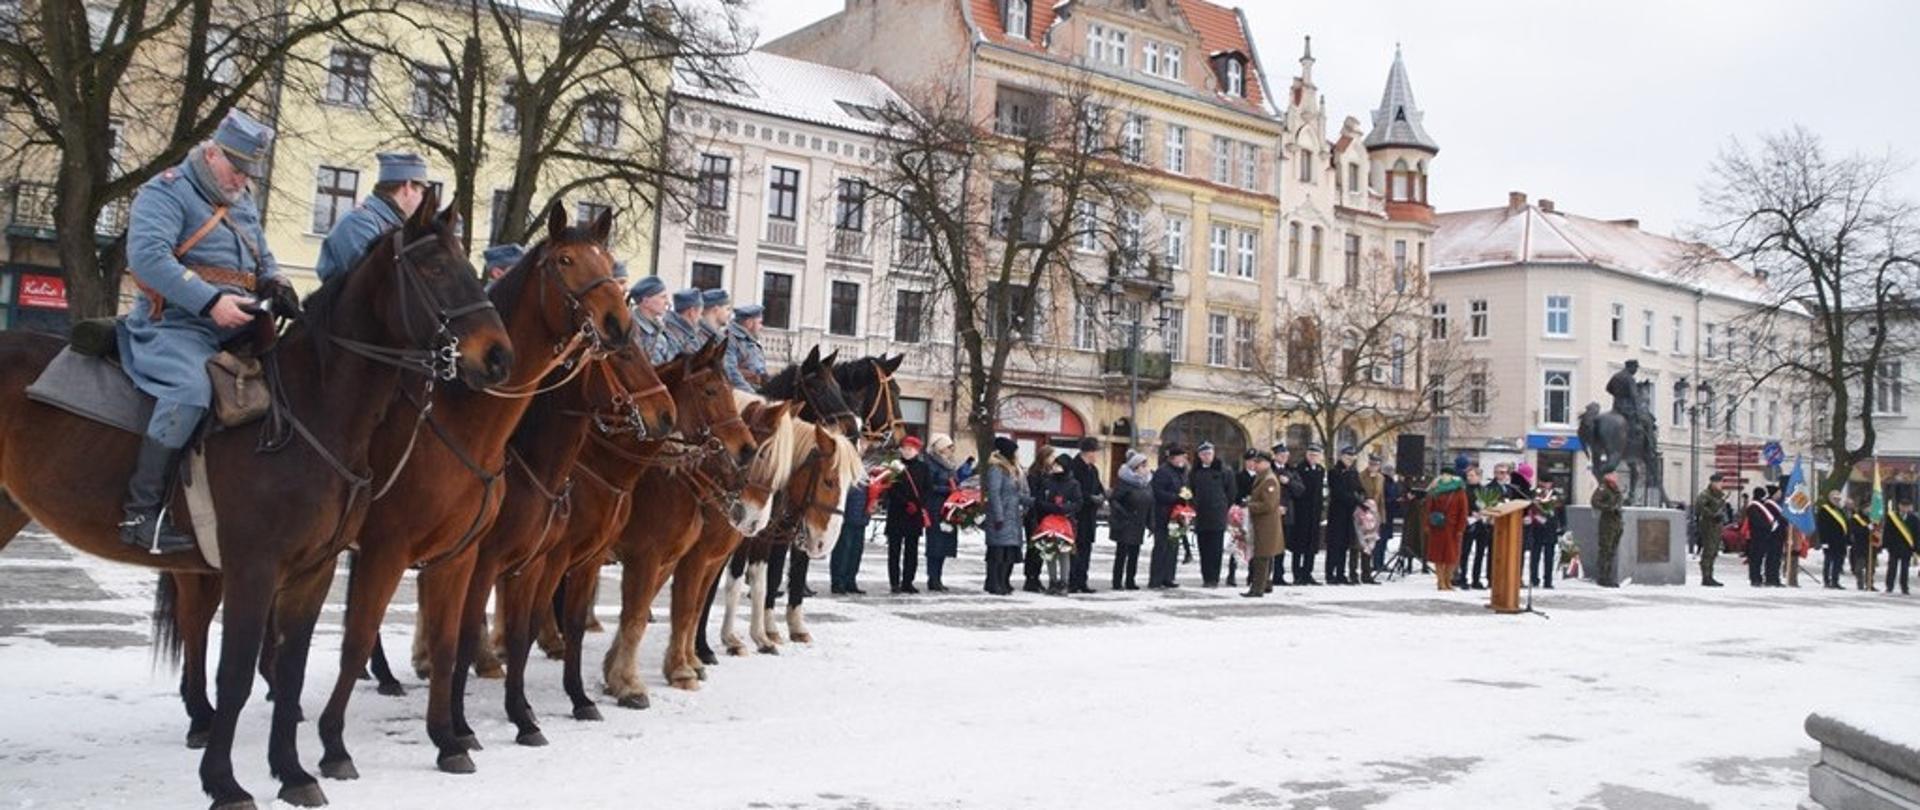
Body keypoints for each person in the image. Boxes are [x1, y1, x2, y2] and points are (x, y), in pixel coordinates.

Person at [119, 111, 295, 554]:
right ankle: (141, 514)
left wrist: (277, 283)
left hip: (242, 326)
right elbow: (148, 259)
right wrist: (210, 302)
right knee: (190, 389)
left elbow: (262, 256)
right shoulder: (167, 191)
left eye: (248, 173)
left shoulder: (243, 197)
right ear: (212, 152)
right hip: (175, 325)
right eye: (235, 169)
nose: (241, 181)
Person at [314, 152, 430, 283]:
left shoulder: (389, 225)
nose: (422, 200)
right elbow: (377, 282)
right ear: (408, 187)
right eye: (422, 192)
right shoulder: (358, 223)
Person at [883, 435, 932, 594]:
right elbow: (890, 489)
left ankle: (908, 581)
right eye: (904, 448)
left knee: (912, 550)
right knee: (894, 550)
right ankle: (894, 582)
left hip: (914, 515)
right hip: (897, 513)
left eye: (910, 449)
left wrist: (918, 505)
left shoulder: (923, 468)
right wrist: (905, 503)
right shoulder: (894, 466)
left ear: (917, 451)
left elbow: (927, 489)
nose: (907, 451)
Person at [982, 437, 1029, 596]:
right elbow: (994, 494)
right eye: (1015, 451)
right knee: (997, 551)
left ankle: (1002, 581)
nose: (1017, 454)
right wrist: (999, 516)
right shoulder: (996, 469)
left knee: (1008, 551)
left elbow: (1016, 494)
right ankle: (994, 583)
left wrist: (1030, 502)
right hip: (1001, 516)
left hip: (1013, 516)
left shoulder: (1012, 469)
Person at [1033, 453, 1085, 595]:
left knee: (1064, 552)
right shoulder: (1047, 481)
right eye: (1054, 464)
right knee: (1050, 551)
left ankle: (1064, 582)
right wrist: (1050, 507)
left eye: (1058, 465)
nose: (1055, 467)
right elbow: (1040, 500)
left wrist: (1065, 508)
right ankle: (1053, 581)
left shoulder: (1073, 484)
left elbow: (1079, 502)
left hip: (1066, 521)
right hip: (1049, 521)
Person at [1188, 442, 1234, 587]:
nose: (1206, 457)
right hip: (1201, 515)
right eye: (1203, 454)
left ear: (1214, 454)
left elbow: (1231, 492)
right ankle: (1206, 576)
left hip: (1217, 515)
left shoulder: (1224, 470)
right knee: (1203, 548)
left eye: (1209, 453)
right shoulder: (1195, 472)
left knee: (1215, 548)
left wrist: (1223, 505)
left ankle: (1214, 578)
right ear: (1199, 456)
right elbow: (1190, 491)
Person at [1107, 451, 1153, 590]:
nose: (1146, 469)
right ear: (1135, 468)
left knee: (1134, 553)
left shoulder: (1146, 484)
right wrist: (1124, 514)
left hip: (1139, 523)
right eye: (1143, 466)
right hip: (1125, 523)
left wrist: (1151, 524)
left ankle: (1130, 580)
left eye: (1146, 466)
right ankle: (1117, 581)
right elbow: (1114, 500)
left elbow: (1151, 503)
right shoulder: (1125, 483)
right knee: (1122, 553)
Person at [1067, 436, 1106, 594]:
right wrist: (1089, 497)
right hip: (1077, 514)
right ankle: (1073, 581)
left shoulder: (1093, 469)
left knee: (1086, 549)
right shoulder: (1074, 466)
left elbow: (1099, 487)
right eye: (1096, 451)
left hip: (1089, 515)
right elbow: (1073, 489)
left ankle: (1082, 580)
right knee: (1075, 548)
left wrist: (1101, 496)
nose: (1097, 455)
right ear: (1089, 452)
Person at [1242, 450, 1284, 597]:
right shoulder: (1262, 477)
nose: (1255, 465)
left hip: (1266, 525)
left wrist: (1250, 505)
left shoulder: (1269, 480)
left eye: (1258, 462)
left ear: (1266, 463)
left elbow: (1269, 504)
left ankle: (1257, 588)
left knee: (1262, 556)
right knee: (1264, 556)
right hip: (1262, 523)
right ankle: (1265, 584)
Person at [921, 434, 960, 592]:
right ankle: (933, 577)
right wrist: (948, 489)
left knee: (944, 544)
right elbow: (929, 486)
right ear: (939, 447)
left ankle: (938, 577)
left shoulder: (950, 464)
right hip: (935, 507)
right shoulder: (930, 463)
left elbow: (955, 480)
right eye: (947, 447)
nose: (950, 450)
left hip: (949, 508)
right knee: (935, 544)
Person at [1148, 444, 1190, 589]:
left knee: (1173, 546)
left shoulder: (1182, 472)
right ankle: (1156, 578)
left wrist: (1186, 496)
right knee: (1161, 546)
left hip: (1177, 516)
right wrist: (1175, 497)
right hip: (1163, 514)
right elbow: (1158, 492)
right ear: (1173, 458)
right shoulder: (1163, 472)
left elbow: (1185, 489)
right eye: (1181, 457)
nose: (1184, 459)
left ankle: (1168, 577)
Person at [1425, 463, 1468, 590]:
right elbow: (1429, 508)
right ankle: (1440, 581)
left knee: (1452, 556)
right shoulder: (1435, 489)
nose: (1445, 477)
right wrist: (1427, 524)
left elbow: (1463, 510)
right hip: (1438, 526)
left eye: (1448, 474)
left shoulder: (1459, 491)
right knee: (1438, 556)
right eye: (1443, 474)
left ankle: (1448, 580)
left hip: (1453, 528)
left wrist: (1461, 528)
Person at [1324, 447, 1363, 585]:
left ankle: (1341, 573)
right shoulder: (1334, 472)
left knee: (1345, 544)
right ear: (1341, 457)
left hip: (1350, 513)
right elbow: (1339, 492)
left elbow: (1359, 489)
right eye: (1347, 457)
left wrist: (1361, 499)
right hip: (1337, 512)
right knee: (1334, 544)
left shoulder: (1353, 473)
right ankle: (1330, 573)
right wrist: (1355, 499)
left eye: (1352, 458)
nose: (1350, 460)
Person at [1289, 444, 1327, 585]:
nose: (1313, 458)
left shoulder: (1320, 470)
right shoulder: (1299, 469)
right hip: (1301, 511)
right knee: (1299, 544)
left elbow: (1320, 493)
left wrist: (1321, 511)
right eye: (1311, 455)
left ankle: (1307, 572)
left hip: (1314, 512)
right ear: (1306, 455)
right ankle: (1297, 574)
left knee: (1312, 545)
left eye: (1316, 455)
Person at [1021, 445, 1057, 593]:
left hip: (1045, 516)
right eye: (1052, 456)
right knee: (1033, 548)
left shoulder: (1049, 474)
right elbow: (1034, 495)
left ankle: (1036, 576)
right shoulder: (1034, 474)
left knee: (1042, 548)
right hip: (1034, 515)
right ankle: (1030, 578)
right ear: (1045, 457)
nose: (1054, 459)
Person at [829, 479, 870, 595]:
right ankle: (838, 582)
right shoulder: (848, 475)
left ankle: (850, 581)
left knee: (856, 552)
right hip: (846, 520)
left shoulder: (866, 477)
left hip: (861, 519)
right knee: (843, 551)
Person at [1271, 444, 1304, 586]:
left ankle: (1279, 575)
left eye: (1286, 456)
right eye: (1281, 455)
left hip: (1287, 513)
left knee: (1281, 546)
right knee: (1268, 545)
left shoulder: (1291, 471)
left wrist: (1289, 482)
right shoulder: (1269, 470)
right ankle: (1264, 575)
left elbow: (1300, 490)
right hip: (1271, 512)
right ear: (1275, 456)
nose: (1283, 458)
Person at [627, 276, 677, 366]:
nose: (668, 302)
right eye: (663, 297)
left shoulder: (659, 328)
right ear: (646, 302)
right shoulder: (632, 331)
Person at [1457, 465, 1493, 589]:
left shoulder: (1484, 490)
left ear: (1479, 477)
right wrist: (1470, 513)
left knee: (1480, 553)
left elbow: (1490, 504)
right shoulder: (1464, 490)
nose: (1470, 478)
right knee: (1465, 552)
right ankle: (1462, 578)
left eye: (1472, 475)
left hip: (1482, 524)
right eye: (1468, 476)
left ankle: (1476, 579)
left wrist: (1486, 512)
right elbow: (1460, 507)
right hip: (1469, 523)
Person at [1692, 474, 1729, 587]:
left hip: (1716, 527)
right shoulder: (1705, 495)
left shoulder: (1718, 496)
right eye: (1719, 482)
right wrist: (1713, 515)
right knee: (1708, 551)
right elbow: (1700, 509)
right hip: (1708, 526)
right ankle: (1706, 577)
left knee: (1713, 552)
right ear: (1713, 483)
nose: (1721, 485)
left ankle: (1710, 575)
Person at [1528, 473, 1564, 589]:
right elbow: (1529, 508)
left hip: (1550, 528)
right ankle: (1534, 579)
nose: (1544, 485)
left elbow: (1561, 512)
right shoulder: (1534, 493)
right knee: (1535, 556)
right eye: (1542, 482)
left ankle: (1547, 580)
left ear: (1551, 484)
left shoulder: (1556, 495)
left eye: (1547, 483)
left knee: (1549, 556)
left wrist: (1562, 526)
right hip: (1537, 527)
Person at [725, 304, 768, 391]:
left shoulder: (750, 340)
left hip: (757, 390)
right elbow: (731, 372)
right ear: (749, 323)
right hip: (742, 395)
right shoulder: (730, 340)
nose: (761, 327)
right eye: (760, 323)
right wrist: (753, 395)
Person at [1593, 472, 1625, 588]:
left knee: (1612, 551)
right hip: (1607, 522)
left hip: (1617, 522)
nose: (1616, 477)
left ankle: (1609, 576)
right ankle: (1603, 577)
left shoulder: (1616, 489)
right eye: (1613, 475)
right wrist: (1609, 508)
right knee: (1605, 550)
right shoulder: (1603, 488)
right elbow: (1595, 502)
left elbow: (1619, 503)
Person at [1743, 486, 1778, 587]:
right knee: (1755, 559)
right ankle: (1755, 578)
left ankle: (1758, 577)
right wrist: (1769, 526)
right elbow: (1757, 521)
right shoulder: (1753, 506)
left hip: (1763, 536)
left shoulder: (1760, 506)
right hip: (1756, 536)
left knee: (1760, 558)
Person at [1816, 490, 1849, 589]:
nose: (1837, 500)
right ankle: (1827, 580)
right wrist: (1824, 541)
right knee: (1828, 560)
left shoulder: (1840, 510)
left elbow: (1845, 525)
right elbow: (1822, 527)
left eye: (1838, 499)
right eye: (1835, 498)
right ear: (1830, 498)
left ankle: (1835, 580)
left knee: (1838, 562)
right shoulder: (1824, 510)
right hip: (1829, 540)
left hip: (1840, 541)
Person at [1883, 498, 1915, 596]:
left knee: (1905, 569)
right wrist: (1886, 545)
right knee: (1892, 567)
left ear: (1909, 507)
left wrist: (1916, 548)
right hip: (1894, 547)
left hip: (1907, 548)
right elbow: (1887, 532)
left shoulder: (1914, 519)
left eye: (1907, 506)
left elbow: (1916, 534)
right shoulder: (1892, 517)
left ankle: (1904, 587)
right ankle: (1889, 586)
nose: (1904, 508)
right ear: (1899, 506)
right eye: (1903, 506)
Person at [665, 288, 705, 355]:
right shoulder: (672, 335)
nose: (701, 317)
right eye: (700, 313)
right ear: (691, 312)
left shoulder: (688, 332)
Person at [1848, 503, 1875, 591]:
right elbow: (1854, 530)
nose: (1868, 510)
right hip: (1859, 546)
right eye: (1867, 508)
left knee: (1870, 567)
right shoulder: (1855, 518)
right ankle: (1860, 583)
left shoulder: (1872, 519)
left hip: (1870, 546)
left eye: (1870, 508)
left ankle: (1870, 584)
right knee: (1859, 568)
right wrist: (1866, 528)